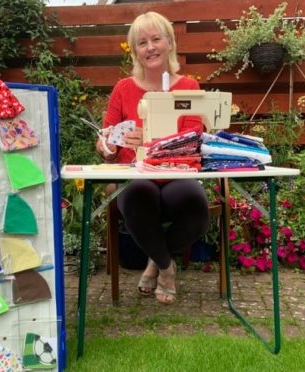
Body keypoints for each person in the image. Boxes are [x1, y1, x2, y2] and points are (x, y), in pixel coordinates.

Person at [95, 11, 209, 304]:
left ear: (169, 43)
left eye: (156, 39)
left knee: (196, 206)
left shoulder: (188, 87)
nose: (150, 47)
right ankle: (167, 268)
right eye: (142, 42)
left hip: (175, 172)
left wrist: (148, 139)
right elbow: (108, 137)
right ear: (135, 51)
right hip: (135, 172)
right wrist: (105, 145)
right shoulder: (123, 88)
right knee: (136, 193)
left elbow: (192, 138)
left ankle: (154, 261)